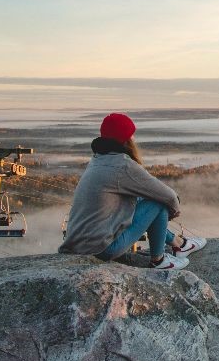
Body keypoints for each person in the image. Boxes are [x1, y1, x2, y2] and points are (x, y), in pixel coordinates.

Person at [59, 112, 205, 269]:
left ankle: (179, 244)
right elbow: (168, 196)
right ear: (126, 140)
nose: (134, 138)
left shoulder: (97, 160)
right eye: (131, 135)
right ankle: (159, 260)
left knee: (143, 199)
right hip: (103, 249)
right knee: (158, 202)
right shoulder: (123, 165)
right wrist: (173, 210)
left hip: (78, 245)